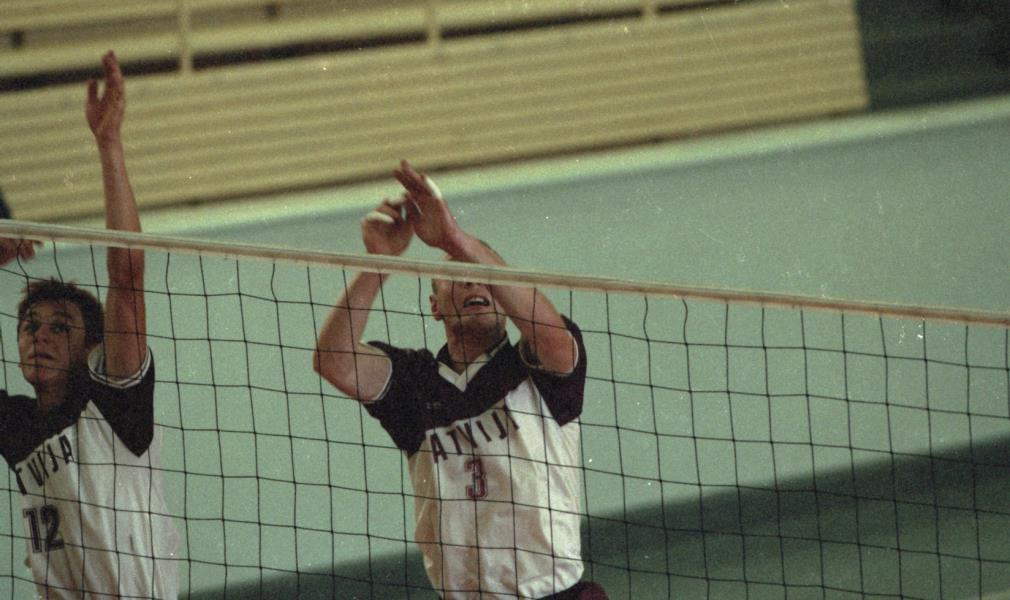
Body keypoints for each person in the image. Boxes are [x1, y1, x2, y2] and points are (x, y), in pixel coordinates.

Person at [313, 161, 607, 599]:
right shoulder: (414, 382)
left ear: (504, 296)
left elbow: (551, 338)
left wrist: (454, 239)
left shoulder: (536, 365)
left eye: (484, 274)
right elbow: (334, 361)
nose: (471, 279)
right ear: (435, 306)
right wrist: (377, 264)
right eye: (455, 274)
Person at [0, 51, 179, 599]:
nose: (39, 335)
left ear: (92, 347)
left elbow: (127, 277)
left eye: (60, 327)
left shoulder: (116, 405)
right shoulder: (17, 425)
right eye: (30, 325)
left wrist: (109, 144)